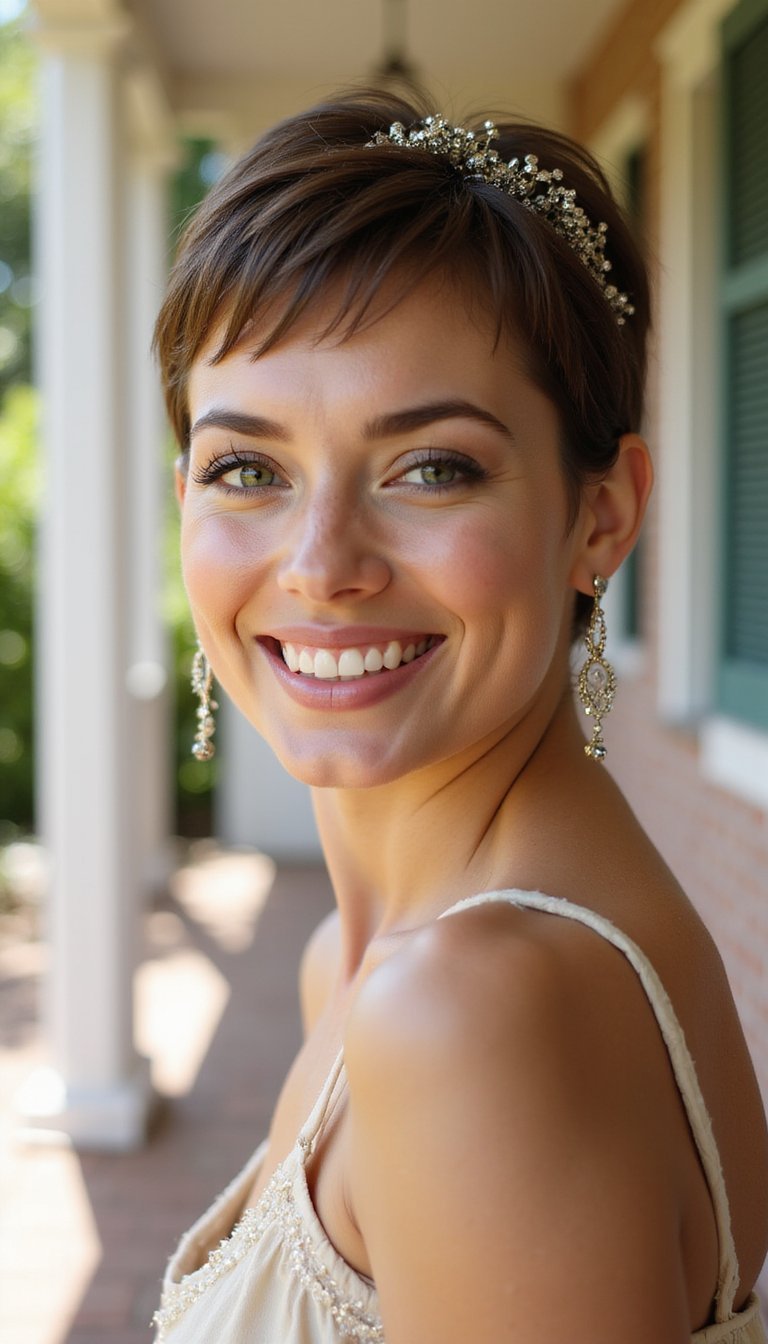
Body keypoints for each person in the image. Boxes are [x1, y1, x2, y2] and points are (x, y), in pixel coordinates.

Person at [151, 88, 768, 1343]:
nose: (321, 564)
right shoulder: (370, 963)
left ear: (602, 515)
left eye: (431, 466)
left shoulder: (477, 1009)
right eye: (247, 469)